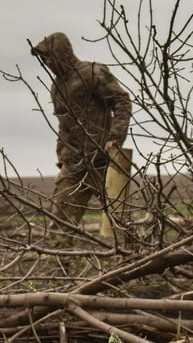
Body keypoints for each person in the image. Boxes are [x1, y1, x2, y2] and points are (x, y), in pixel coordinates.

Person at [31, 32, 132, 240]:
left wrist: (115, 137)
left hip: (103, 162)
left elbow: (122, 101)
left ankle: (138, 263)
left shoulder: (93, 73)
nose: (47, 63)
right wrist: (61, 152)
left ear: (62, 54)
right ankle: (59, 269)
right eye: (44, 59)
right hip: (75, 163)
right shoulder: (57, 86)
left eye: (50, 57)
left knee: (120, 224)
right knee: (60, 225)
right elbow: (64, 123)